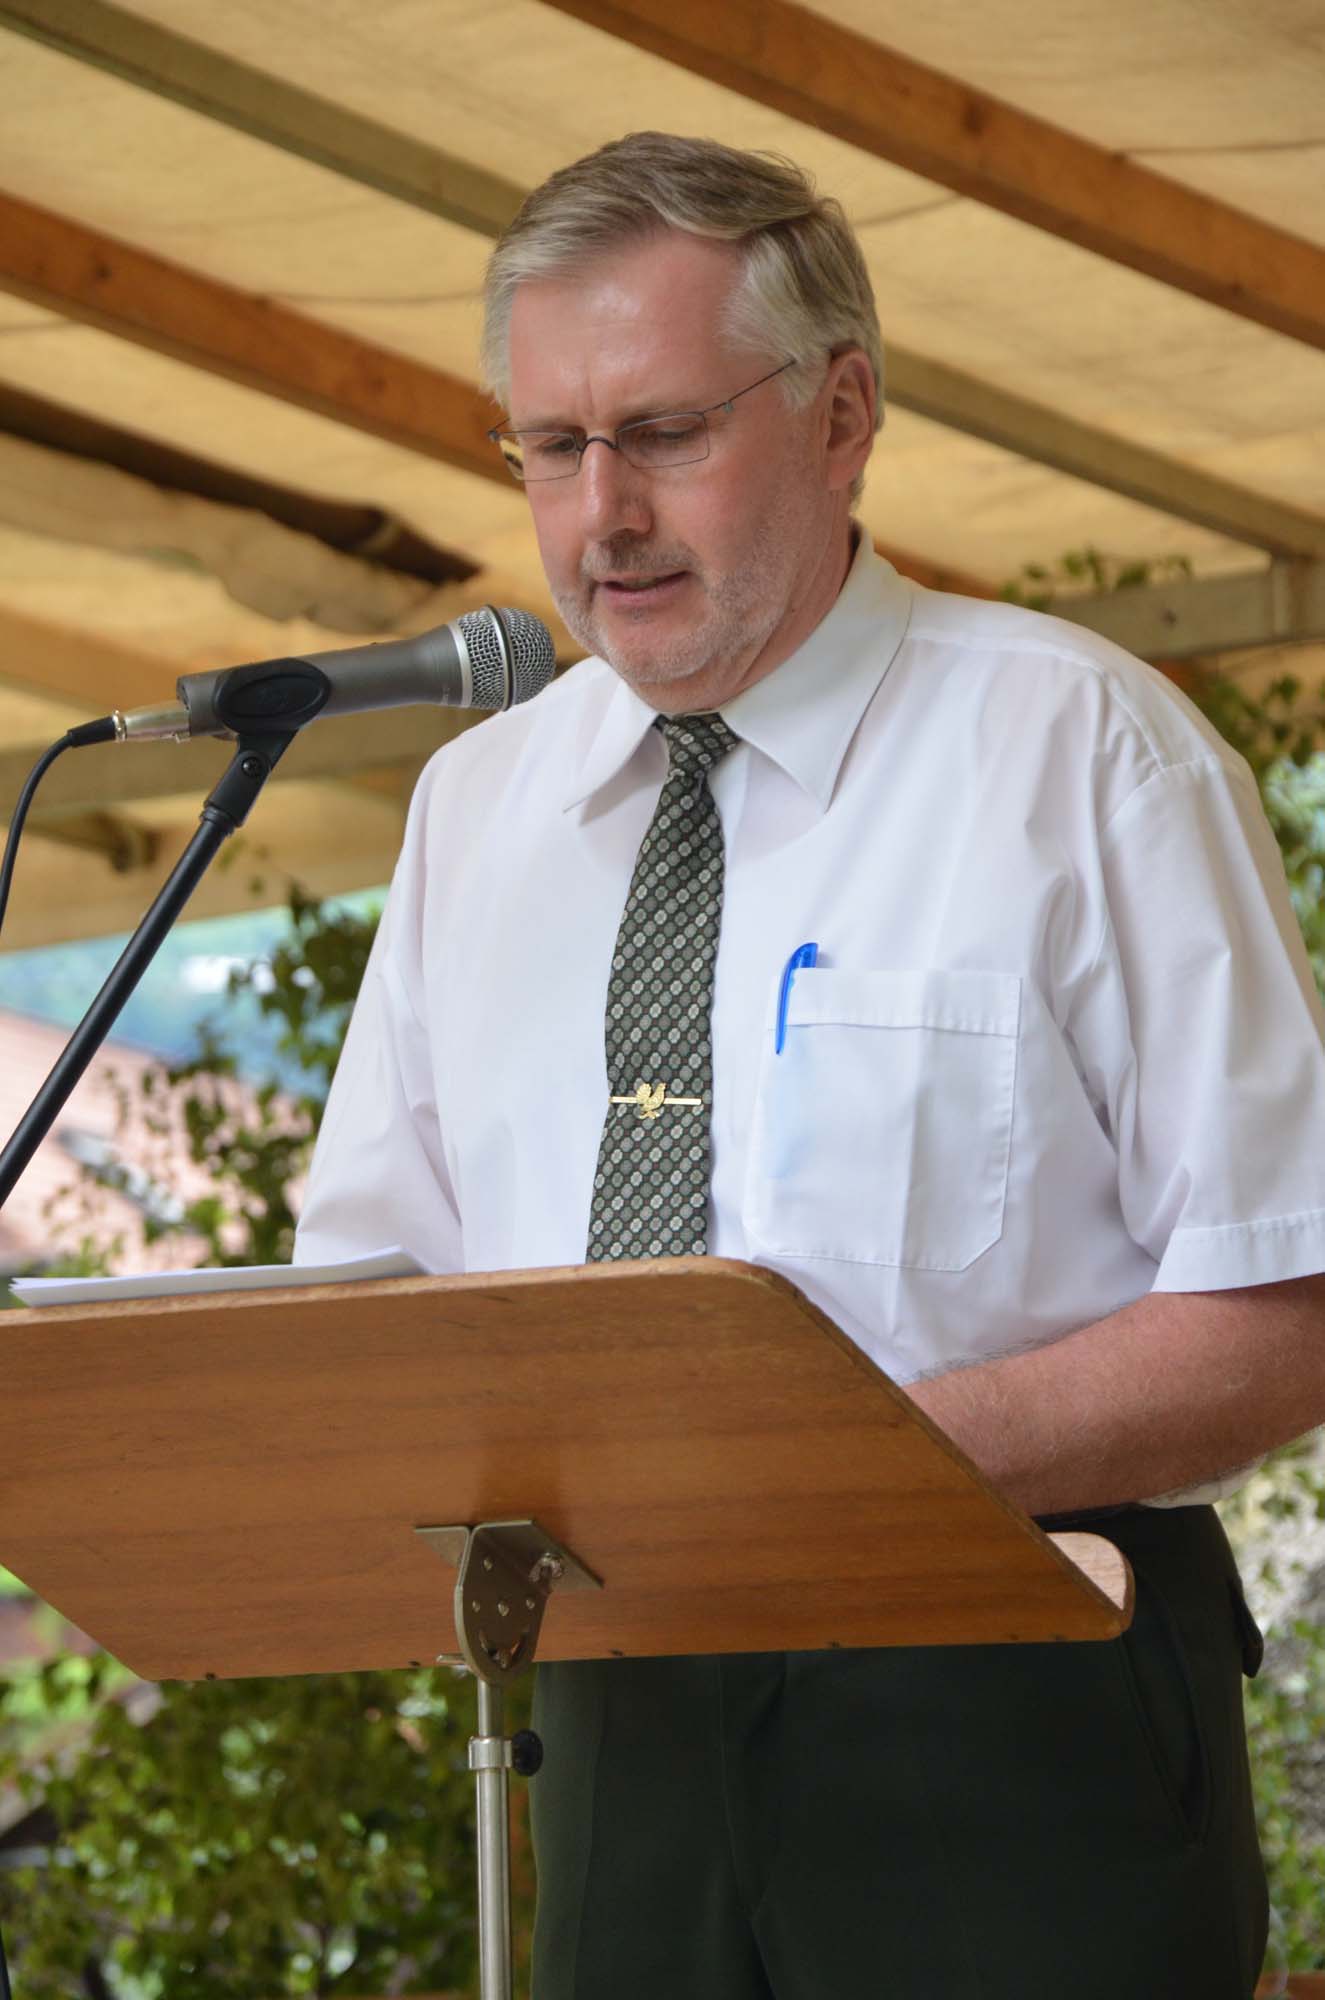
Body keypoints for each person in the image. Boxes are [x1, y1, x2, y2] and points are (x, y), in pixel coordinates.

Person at [295, 132, 1325, 1996]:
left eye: (662, 432)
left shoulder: (1084, 749)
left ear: (841, 413)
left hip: (1017, 1692)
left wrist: (836, 1466)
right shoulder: (475, 811)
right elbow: (374, 1308)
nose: (600, 513)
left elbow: (1286, 1304)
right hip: (614, 1716)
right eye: (550, 445)